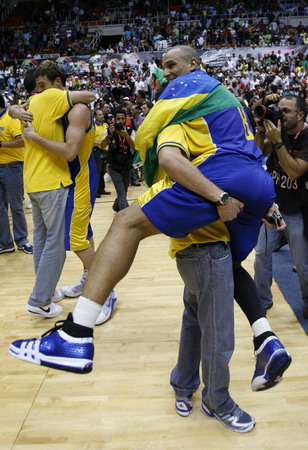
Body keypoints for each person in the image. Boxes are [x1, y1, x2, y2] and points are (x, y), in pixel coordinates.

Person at [9, 47, 290, 397]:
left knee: (126, 222)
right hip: (256, 185)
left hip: (220, 185)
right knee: (227, 267)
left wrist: (215, 195)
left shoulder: (182, 106)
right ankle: (265, 339)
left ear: (194, 65)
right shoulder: (229, 103)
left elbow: (159, 149)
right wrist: (263, 200)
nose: (166, 73)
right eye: (162, 68)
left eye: (172, 65)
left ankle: (76, 332)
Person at [21, 70, 117, 326]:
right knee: (80, 233)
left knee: (75, 239)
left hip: (78, 180)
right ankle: (89, 277)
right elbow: (18, 108)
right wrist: (15, 111)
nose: (39, 93)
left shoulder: (78, 110)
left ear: (59, 85)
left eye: (43, 86)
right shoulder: (51, 106)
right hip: (64, 180)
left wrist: (35, 138)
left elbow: (70, 153)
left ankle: (105, 291)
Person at [11, 62, 95, 318]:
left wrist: (14, 109)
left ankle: (46, 292)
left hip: (33, 182)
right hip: (55, 182)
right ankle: (40, 299)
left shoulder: (29, 105)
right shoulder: (53, 97)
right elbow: (90, 96)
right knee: (57, 244)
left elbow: (12, 110)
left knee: (44, 241)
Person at [253, 94, 308, 318]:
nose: (281, 114)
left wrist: (277, 141)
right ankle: (261, 301)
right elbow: (257, 153)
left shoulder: (305, 137)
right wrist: (261, 130)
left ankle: (307, 300)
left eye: (286, 111)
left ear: (301, 115)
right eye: (279, 109)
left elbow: (294, 171)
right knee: (261, 256)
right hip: (273, 206)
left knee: (302, 263)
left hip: (298, 209)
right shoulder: (279, 130)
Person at [0, 94, 33, 255]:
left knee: (16, 206)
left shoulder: (10, 119)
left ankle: (22, 240)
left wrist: (1, 144)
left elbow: (22, 141)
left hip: (12, 167)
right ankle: (5, 243)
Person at [106, 108, 135, 212]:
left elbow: (135, 147)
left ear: (125, 119)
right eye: (118, 119)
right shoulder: (110, 130)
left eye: (122, 119)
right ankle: (126, 215)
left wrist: (126, 136)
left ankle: (116, 206)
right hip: (113, 166)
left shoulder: (130, 131)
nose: (120, 121)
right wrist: (109, 135)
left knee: (124, 191)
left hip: (126, 165)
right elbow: (102, 145)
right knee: (121, 191)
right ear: (114, 119)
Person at [92, 108, 111, 197]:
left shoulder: (106, 125)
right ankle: (95, 191)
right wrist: (99, 143)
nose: (102, 116)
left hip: (105, 150)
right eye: (99, 115)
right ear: (95, 116)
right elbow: (89, 140)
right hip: (96, 150)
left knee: (103, 171)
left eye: (102, 114)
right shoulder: (93, 126)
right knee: (97, 171)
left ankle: (101, 189)